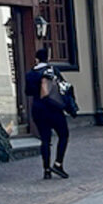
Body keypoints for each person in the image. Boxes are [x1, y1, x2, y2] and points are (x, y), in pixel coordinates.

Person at [23, 47, 70, 181]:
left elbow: (28, 92)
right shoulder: (53, 70)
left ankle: (46, 170)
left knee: (45, 139)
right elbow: (63, 87)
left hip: (38, 108)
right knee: (63, 135)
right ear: (47, 58)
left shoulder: (30, 74)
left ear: (36, 59)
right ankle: (58, 163)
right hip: (54, 108)